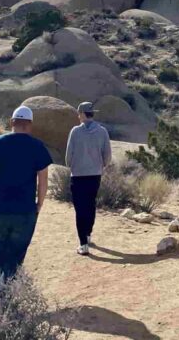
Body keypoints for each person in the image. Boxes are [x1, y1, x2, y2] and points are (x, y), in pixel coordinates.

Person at [0, 104, 53, 282]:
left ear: (12, 122)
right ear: (30, 124)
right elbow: (43, 180)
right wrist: (39, 204)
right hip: (25, 209)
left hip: (0, 207)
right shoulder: (37, 146)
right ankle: (12, 286)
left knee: (0, 251)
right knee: (18, 252)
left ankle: (0, 287)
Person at [65, 101, 112, 256]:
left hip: (78, 175)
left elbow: (68, 155)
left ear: (83, 114)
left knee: (80, 209)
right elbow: (107, 155)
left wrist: (71, 166)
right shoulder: (102, 131)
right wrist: (100, 166)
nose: (78, 116)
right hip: (95, 175)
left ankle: (83, 244)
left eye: (79, 113)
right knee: (91, 205)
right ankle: (88, 233)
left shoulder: (75, 132)